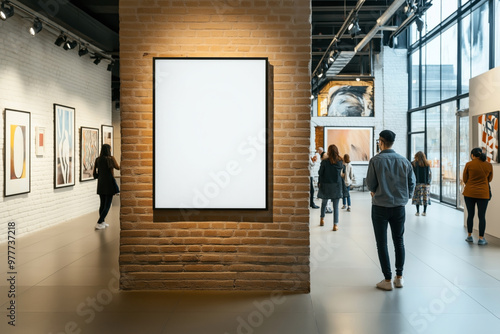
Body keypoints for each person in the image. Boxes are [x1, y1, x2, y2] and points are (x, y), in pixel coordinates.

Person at [366, 130, 415, 291]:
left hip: (380, 206)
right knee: (399, 241)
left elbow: (371, 184)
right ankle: (399, 278)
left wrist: (376, 191)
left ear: (380, 141)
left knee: (382, 243)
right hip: (399, 208)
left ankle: (387, 280)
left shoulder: (375, 160)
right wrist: (404, 197)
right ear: (392, 142)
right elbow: (412, 183)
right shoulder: (404, 161)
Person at [463, 147, 493, 245]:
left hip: (469, 193)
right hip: (483, 194)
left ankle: (469, 236)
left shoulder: (469, 164)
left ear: (472, 155)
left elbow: (465, 179)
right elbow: (490, 179)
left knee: (470, 215)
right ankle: (481, 238)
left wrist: (472, 183)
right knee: (482, 216)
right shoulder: (488, 165)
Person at [92, 144, 120, 230]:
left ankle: (102, 222)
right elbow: (117, 167)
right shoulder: (110, 158)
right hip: (109, 183)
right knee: (107, 205)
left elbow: (95, 171)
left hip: (101, 183)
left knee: (102, 204)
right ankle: (99, 222)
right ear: (108, 150)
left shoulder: (98, 159)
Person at [317, 144, 344, 231]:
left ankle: (322, 219)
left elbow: (320, 173)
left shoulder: (324, 162)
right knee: (335, 207)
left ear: (328, 151)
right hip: (336, 186)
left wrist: (319, 182)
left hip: (326, 185)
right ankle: (335, 225)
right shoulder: (340, 161)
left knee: (324, 203)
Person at [411, 151, 432, 216]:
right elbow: (430, 174)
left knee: (417, 197)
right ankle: (424, 212)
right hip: (425, 183)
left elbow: (411, 174)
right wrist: (429, 182)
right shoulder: (427, 164)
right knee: (425, 198)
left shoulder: (414, 164)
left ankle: (417, 212)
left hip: (417, 183)